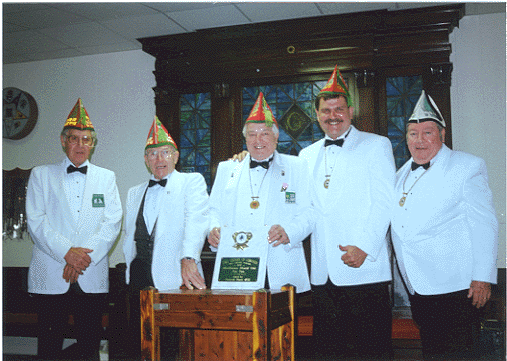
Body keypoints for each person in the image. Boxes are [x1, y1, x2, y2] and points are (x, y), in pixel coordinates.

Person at [296, 65, 396, 359]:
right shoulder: (306, 154)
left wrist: (365, 247)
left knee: (371, 350)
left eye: (339, 109)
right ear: (317, 115)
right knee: (329, 351)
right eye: (326, 110)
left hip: (363, 268)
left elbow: (384, 202)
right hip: (324, 273)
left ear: (351, 111)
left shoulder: (376, 145)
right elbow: (303, 206)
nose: (333, 116)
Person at [391, 90, 498, 360]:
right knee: (433, 352)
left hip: (458, 288)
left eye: (428, 132)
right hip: (418, 286)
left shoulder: (467, 167)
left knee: (461, 353)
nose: (420, 140)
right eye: (413, 134)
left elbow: (485, 224)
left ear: (442, 135)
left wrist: (483, 277)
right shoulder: (400, 173)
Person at [26, 98, 123, 361]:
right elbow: (36, 222)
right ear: (62, 141)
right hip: (50, 274)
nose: (80, 145)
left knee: (89, 344)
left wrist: (81, 259)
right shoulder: (40, 175)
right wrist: (67, 253)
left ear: (92, 144)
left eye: (85, 139)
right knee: (49, 345)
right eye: (74, 138)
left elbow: (112, 222)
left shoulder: (107, 177)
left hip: (90, 274)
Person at [208, 92, 313, 294]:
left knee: (283, 324)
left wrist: (289, 231)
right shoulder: (227, 168)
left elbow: (310, 212)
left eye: (264, 133)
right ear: (244, 137)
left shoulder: (297, 166)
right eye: (252, 134)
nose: (258, 140)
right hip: (236, 266)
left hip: (280, 263)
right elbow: (214, 210)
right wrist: (212, 229)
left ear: (276, 136)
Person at [123, 116, 209, 359]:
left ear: (176, 156)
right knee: (140, 343)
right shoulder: (133, 192)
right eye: (152, 154)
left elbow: (197, 219)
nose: (158, 159)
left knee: (175, 346)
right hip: (139, 276)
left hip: (176, 275)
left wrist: (189, 257)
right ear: (145, 159)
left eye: (164, 152)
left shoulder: (191, 182)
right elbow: (130, 235)